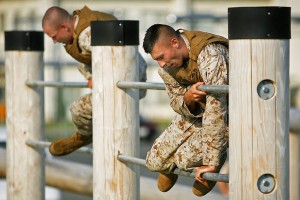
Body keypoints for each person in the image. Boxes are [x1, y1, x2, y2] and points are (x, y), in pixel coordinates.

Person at [42, 6, 147, 156]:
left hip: (127, 80)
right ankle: (92, 136)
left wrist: (96, 77)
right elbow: (84, 57)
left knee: (78, 109)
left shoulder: (86, 36)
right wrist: (90, 76)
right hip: (133, 76)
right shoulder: (81, 28)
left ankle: (83, 137)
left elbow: (110, 59)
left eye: (54, 36)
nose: (53, 41)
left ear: (64, 27)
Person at [142, 24, 229, 197]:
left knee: (184, 159)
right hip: (198, 113)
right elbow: (175, 102)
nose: (161, 64)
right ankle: (168, 166)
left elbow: (217, 108)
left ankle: (217, 159)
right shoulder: (167, 66)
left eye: (161, 57)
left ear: (175, 42)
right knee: (153, 162)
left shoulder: (211, 54)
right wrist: (188, 98)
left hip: (230, 114)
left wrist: (211, 160)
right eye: (157, 60)